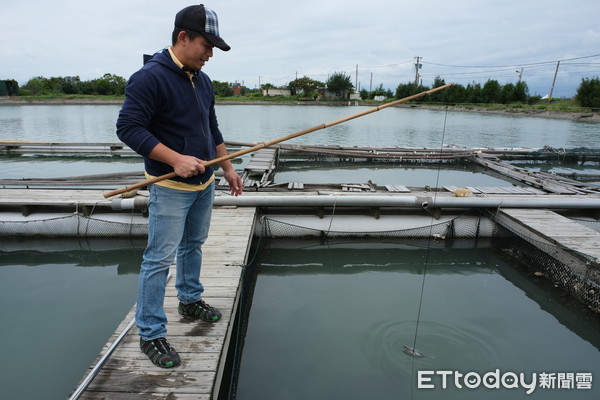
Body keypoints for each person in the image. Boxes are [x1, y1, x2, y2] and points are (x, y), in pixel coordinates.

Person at [116, 4, 243, 368]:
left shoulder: (202, 80)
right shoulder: (149, 77)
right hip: (170, 186)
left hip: (205, 182)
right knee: (158, 259)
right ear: (183, 37)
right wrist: (175, 159)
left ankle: (189, 299)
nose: (210, 54)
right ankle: (151, 333)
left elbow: (212, 128)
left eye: (214, 48)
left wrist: (229, 168)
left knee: (195, 245)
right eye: (207, 45)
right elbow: (129, 128)